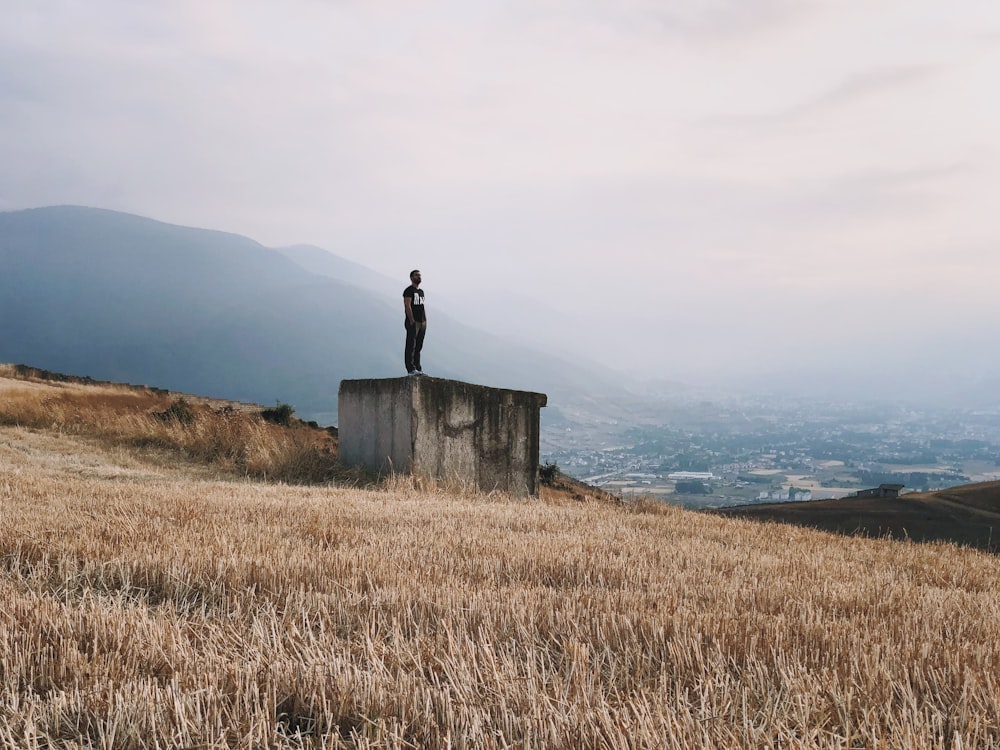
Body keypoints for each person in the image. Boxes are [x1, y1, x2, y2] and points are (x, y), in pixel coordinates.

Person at [403, 269, 426, 375]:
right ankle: (410, 368)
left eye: (420, 275)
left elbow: (422, 306)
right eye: (416, 275)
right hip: (413, 322)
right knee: (411, 345)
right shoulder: (409, 290)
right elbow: (407, 305)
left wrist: (425, 320)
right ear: (411, 278)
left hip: (422, 322)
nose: (419, 277)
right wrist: (411, 320)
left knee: (418, 346)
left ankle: (418, 367)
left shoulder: (421, 292)